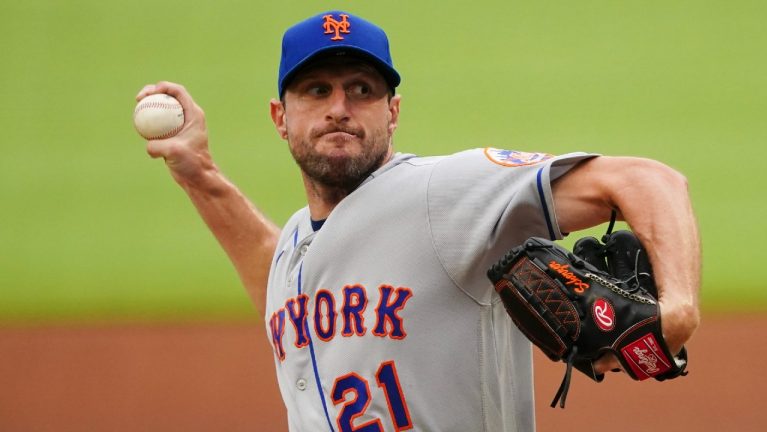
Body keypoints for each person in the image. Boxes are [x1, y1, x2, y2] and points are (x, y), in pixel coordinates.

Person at [136, 10, 700, 432]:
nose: (339, 106)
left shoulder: (441, 192)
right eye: (317, 90)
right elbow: (287, 289)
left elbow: (649, 181)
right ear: (281, 118)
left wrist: (677, 310)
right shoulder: (297, 247)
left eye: (362, 89)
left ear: (393, 112)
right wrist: (199, 174)